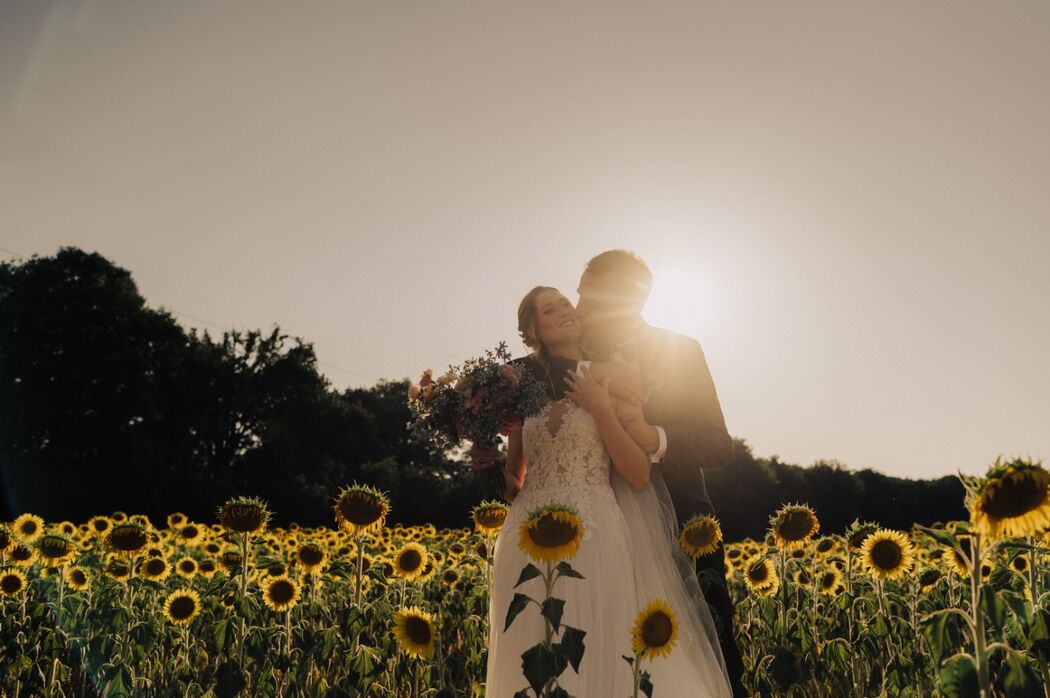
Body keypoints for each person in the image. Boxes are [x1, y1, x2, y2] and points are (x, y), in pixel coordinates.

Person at [474, 250, 748, 697]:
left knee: (709, 644)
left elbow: (717, 443)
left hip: (680, 519)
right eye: (576, 297)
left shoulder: (677, 351)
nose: (578, 308)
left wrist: (653, 434)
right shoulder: (564, 362)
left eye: (589, 299)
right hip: (578, 529)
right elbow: (521, 387)